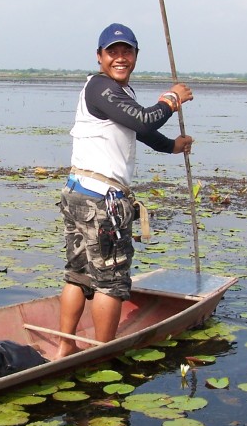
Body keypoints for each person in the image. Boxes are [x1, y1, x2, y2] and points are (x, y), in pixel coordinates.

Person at [55, 22, 193, 359]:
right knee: (111, 283)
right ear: (99, 57)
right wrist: (172, 99)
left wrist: (171, 146)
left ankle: (65, 346)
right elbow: (145, 120)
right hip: (101, 200)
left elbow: (139, 129)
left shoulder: (117, 94)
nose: (120, 58)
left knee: (79, 275)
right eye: (112, 52)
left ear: (135, 56)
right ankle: (102, 353)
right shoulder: (100, 87)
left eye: (126, 51)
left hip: (79, 193)